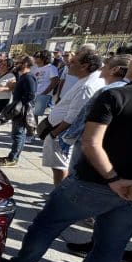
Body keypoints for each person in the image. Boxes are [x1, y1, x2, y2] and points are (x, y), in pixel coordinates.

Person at [1, 54, 132, 262]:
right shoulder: (114, 93)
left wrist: (114, 179)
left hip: (94, 181)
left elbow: (91, 142)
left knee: (47, 223)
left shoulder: (115, 95)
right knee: (111, 245)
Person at [42, 50, 104, 187]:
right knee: (58, 166)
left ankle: (60, 196)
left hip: (61, 133)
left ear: (85, 66)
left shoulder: (87, 86)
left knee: (60, 167)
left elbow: (73, 117)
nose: (68, 64)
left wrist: (54, 134)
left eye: (73, 62)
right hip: (59, 130)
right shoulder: (85, 80)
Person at [0, 55, 37, 167]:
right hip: (19, 107)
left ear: (25, 64)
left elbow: (31, 95)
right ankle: (13, 155)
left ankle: (13, 158)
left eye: (18, 62)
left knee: (18, 134)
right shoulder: (23, 76)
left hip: (22, 109)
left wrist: (19, 104)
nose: (16, 64)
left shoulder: (29, 77)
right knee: (17, 134)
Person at [32, 50, 60, 120]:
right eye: (34, 56)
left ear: (44, 58)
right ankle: (31, 130)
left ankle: (33, 130)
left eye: (37, 56)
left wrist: (44, 93)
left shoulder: (51, 67)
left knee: (35, 114)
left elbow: (55, 81)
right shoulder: (35, 67)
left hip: (43, 95)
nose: (35, 58)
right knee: (30, 114)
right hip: (33, 94)